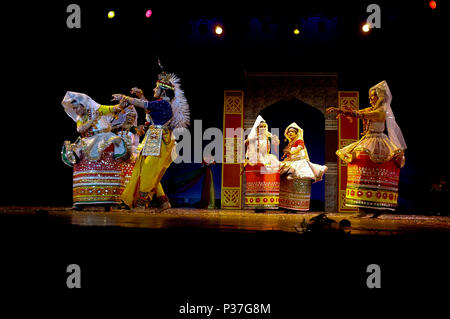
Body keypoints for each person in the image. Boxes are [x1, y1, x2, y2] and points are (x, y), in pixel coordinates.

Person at [326, 80, 406, 217]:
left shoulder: (381, 112)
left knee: (376, 176)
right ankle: (362, 208)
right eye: (369, 97)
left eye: (372, 96)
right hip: (367, 141)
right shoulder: (372, 110)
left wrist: (343, 111)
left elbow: (359, 114)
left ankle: (377, 209)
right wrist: (340, 110)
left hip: (378, 143)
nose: (370, 99)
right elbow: (357, 112)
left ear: (381, 97)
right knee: (359, 173)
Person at [112, 71, 189, 211]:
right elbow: (149, 108)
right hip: (154, 136)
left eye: (156, 87)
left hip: (159, 138)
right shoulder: (160, 104)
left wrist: (125, 97)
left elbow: (144, 105)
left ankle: (142, 202)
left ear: (163, 91)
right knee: (143, 168)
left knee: (148, 170)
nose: (154, 89)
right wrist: (140, 95)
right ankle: (161, 201)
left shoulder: (164, 104)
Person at [61, 91, 130, 210]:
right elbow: (80, 129)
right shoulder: (80, 118)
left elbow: (113, 108)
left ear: (83, 105)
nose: (76, 111)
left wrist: (122, 103)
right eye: (74, 108)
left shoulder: (97, 109)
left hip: (104, 138)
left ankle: (108, 201)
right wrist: (91, 121)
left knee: (110, 154)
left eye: (77, 107)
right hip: (88, 140)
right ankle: (81, 201)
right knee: (76, 155)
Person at [279, 123, 328, 212]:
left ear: (296, 133)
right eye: (289, 131)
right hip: (292, 162)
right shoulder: (290, 143)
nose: (290, 133)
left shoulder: (299, 140)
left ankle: (296, 207)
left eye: (293, 132)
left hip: (300, 164)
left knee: (297, 184)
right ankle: (288, 206)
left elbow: (300, 148)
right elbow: (288, 155)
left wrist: (291, 153)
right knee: (287, 184)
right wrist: (286, 157)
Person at [244, 115, 280, 210]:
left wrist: (275, 138)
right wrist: (250, 139)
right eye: (261, 127)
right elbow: (246, 142)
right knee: (258, 180)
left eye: (264, 126)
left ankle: (267, 202)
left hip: (266, 158)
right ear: (257, 128)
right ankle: (257, 203)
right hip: (256, 159)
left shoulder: (267, 137)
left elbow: (277, 142)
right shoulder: (254, 138)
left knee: (268, 178)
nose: (263, 128)